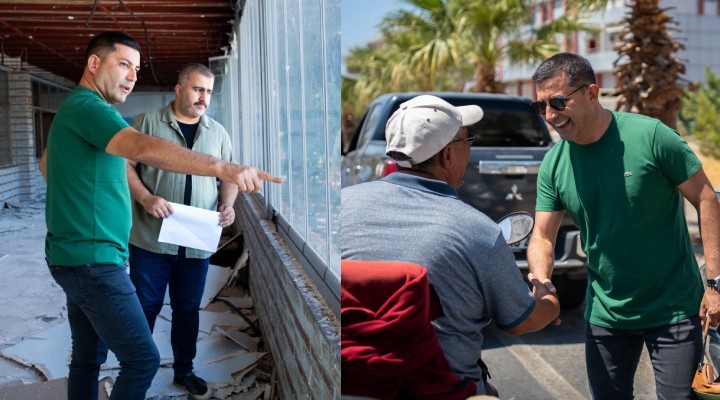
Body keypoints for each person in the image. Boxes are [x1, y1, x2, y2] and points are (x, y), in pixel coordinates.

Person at [37, 31, 282, 400]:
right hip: (94, 259)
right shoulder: (91, 108)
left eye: (136, 68)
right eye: (123, 64)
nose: (132, 76)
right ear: (94, 63)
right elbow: (141, 148)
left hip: (81, 254)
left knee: (89, 358)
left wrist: (85, 192)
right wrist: (219, 167)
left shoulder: (77, 109)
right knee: (142, 360)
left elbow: (45, 165)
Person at [527, 52, 720, 400]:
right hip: (605, 313)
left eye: (558, 102)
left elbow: (706, 198)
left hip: (673, 308)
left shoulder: (651, 136)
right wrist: (542, 282)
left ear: (591, 93)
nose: (551, 116)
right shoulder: (554, 163)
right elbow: (542, 236)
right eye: (541, 107)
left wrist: (715, 283)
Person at [340, 94, 561, 396]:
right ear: (446, 156)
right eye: (468, 139)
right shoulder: (477, 230)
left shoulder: (341, 205)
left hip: (353, 381)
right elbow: (521, 321)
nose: (470, 149)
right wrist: (549, 301)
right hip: (446, 389)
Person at [125, 63, 235, 400]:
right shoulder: (145, 124)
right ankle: (136, 373)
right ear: (179, 89)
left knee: (187, 310)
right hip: (150, 239)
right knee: (145, 306)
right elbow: (124, 165)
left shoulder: (217, 132)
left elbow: (229, 175)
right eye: (197, 89)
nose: (204, 98)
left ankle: (184, 372)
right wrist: (145, 197)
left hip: (195, 242)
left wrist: (227, 204)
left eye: (208, 92)